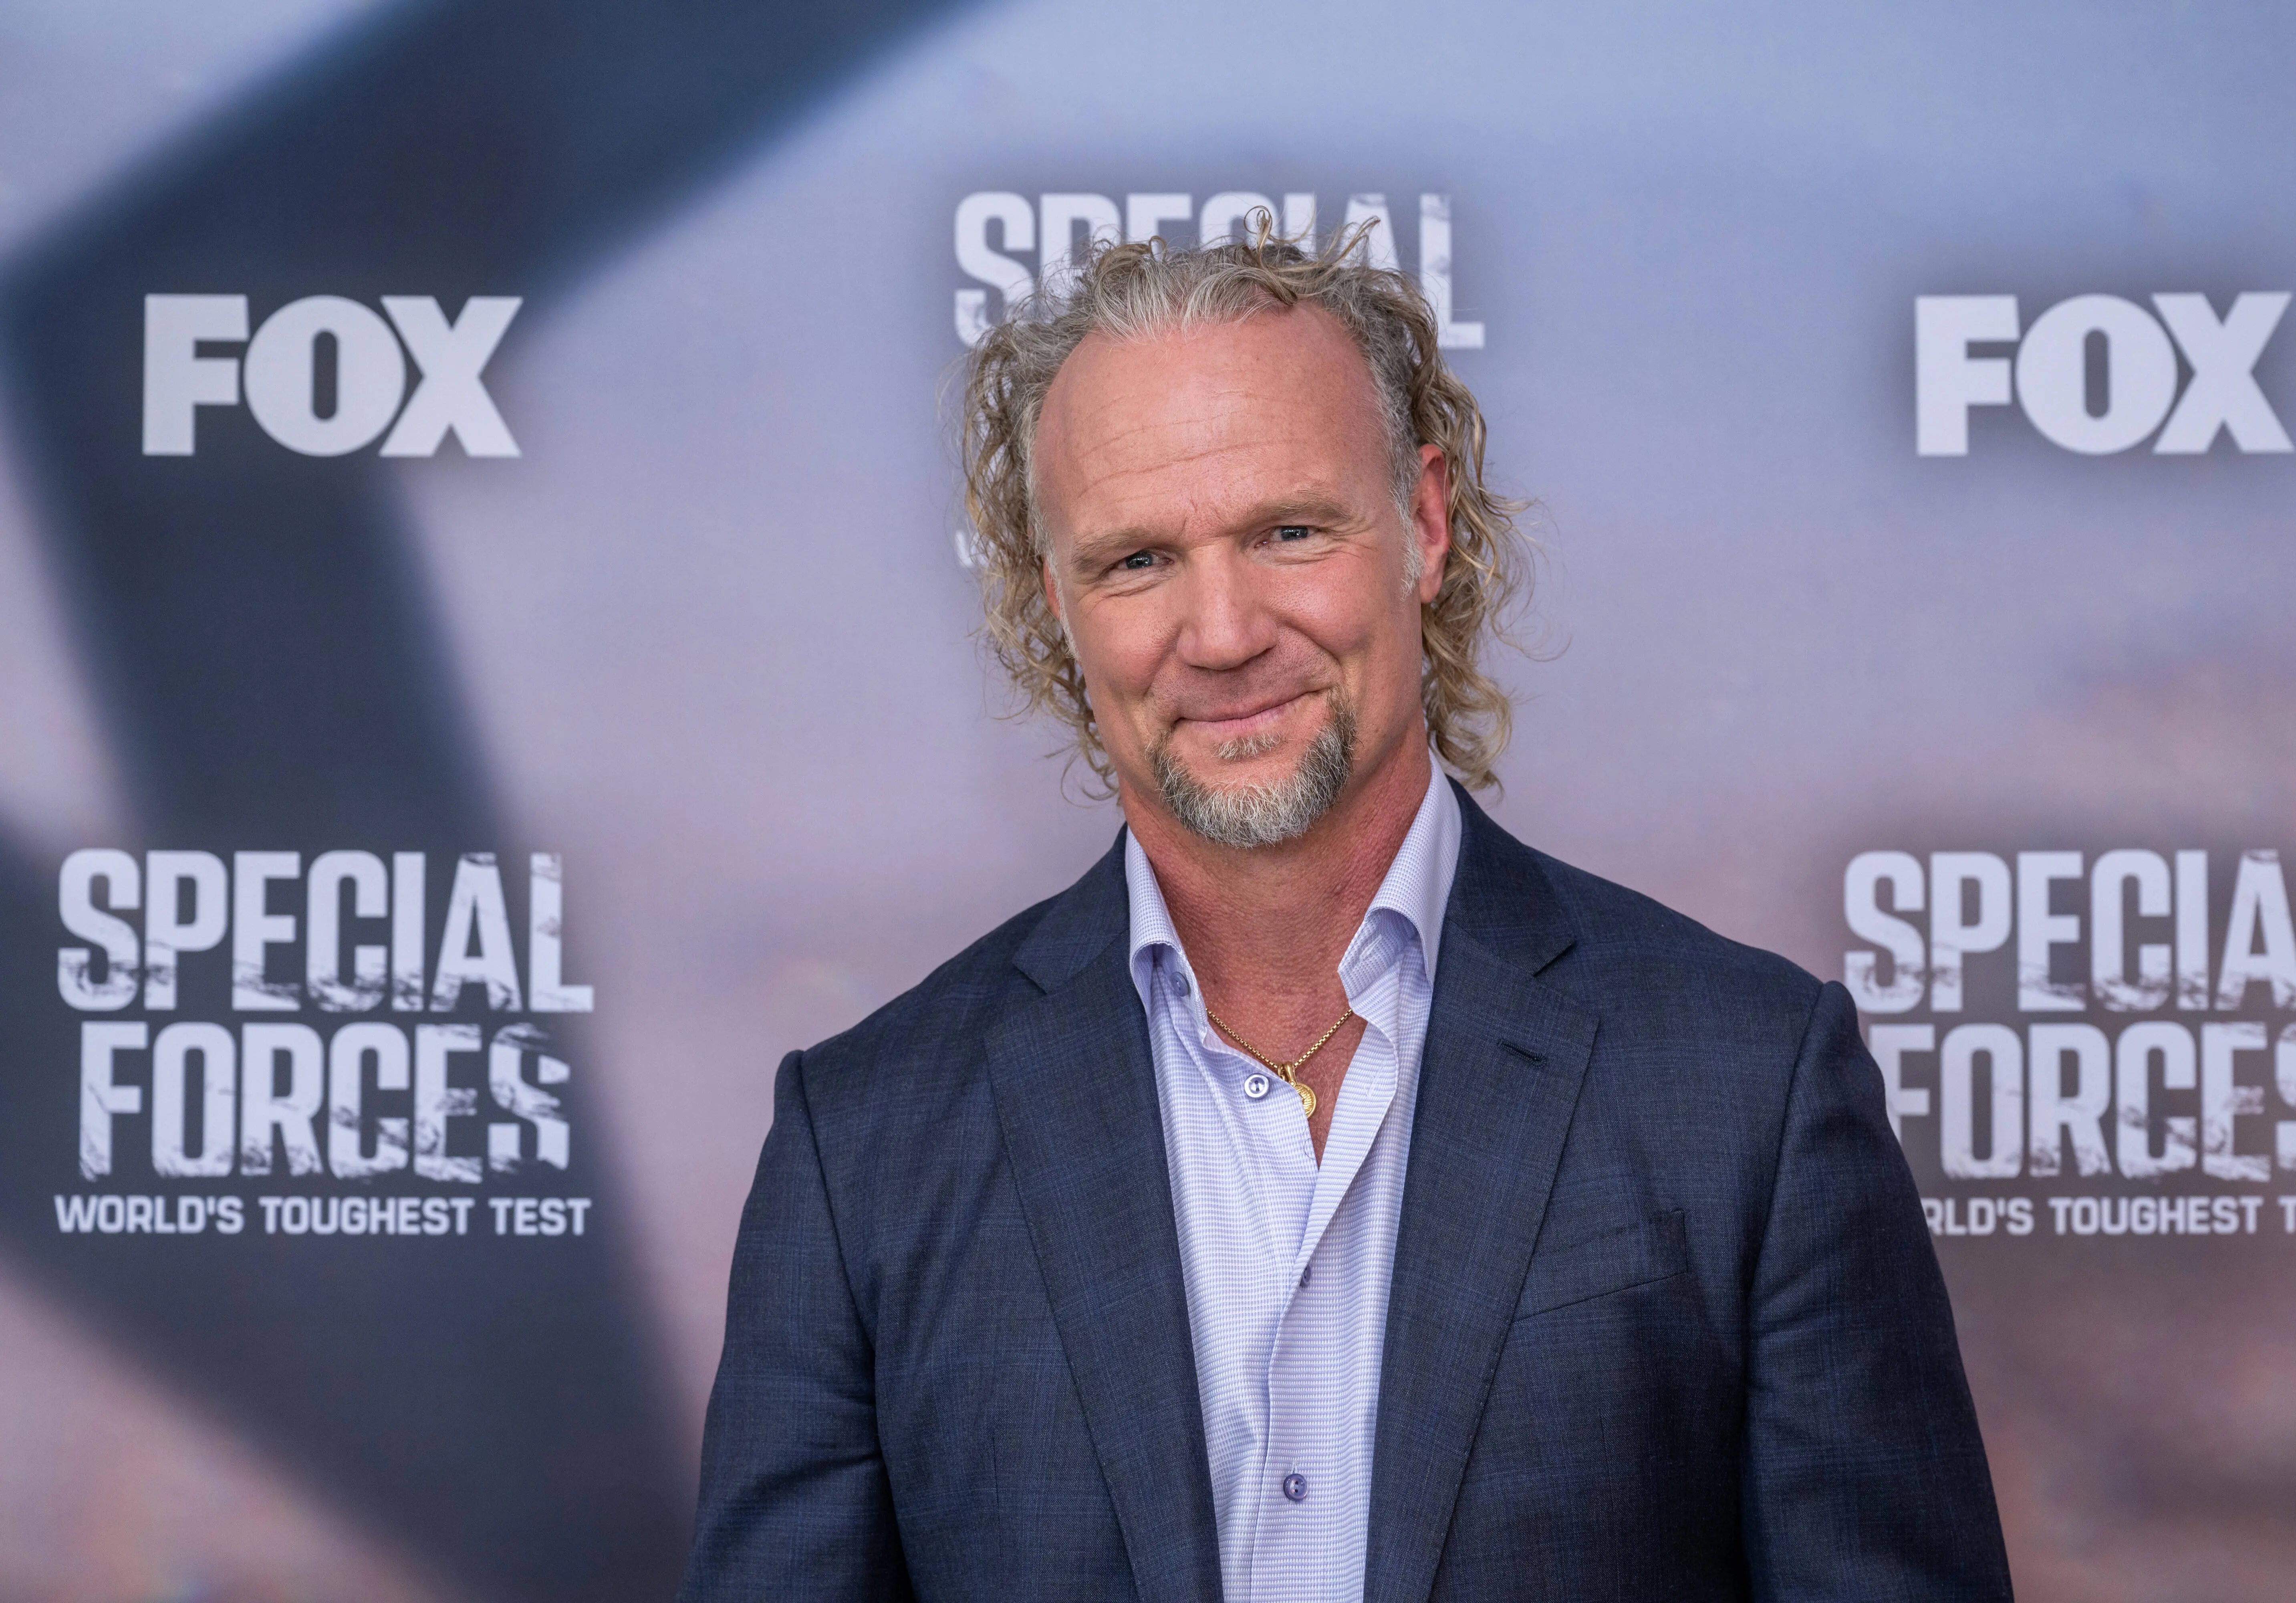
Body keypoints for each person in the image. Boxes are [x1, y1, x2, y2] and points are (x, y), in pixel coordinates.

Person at [681, 230, 2013, 1602]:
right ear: (1051, 605)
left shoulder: (1748, 1089)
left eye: (1289, 531)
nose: (1222, 632)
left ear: (1425, 524)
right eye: (1138, 560)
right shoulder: (867, 1149)